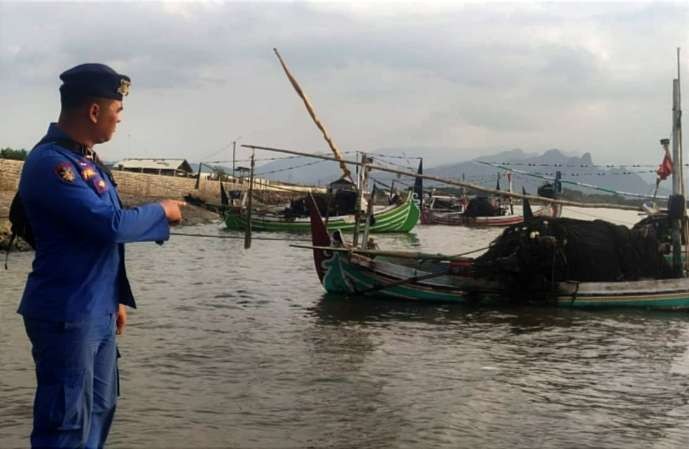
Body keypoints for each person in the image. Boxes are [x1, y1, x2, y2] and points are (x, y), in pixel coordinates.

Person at [16, 63, 186, 449]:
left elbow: (102, 241)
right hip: (67, 312)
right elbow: (107, 225)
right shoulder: (52, 164)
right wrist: (162, 211)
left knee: (100, 408)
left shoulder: (87, 161)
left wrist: (116, 298)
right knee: (65, 421)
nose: (120, 120)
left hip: (98, 308)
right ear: (94, 111)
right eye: (117, 111)